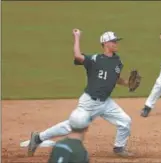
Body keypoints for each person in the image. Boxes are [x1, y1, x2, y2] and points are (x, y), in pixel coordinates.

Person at [27, 29, 135, 157]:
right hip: (90, 102)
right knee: (72, 126)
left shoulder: (118, 61)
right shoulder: (94, 59)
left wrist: (127, 83)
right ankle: (38, 138)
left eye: (116, 41)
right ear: (105, 43)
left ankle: (119, 147)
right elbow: (78, 56)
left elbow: (115, 77)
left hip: (106, 102)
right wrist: (77, 37)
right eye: (113, 41)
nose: (116, 43)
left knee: (125, 121)